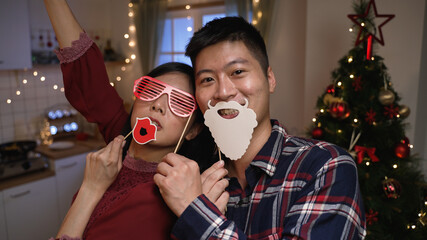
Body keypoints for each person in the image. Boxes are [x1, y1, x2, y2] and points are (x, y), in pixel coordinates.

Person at [153, 16, 367, 239]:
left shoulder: (325, 166)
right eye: (207, 79)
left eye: (237, 72)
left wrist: (195, 212)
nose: (223, 92)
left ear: (270, 78)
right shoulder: (194, 176)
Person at [44, 1, 227, 239]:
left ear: (193, 130)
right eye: (150, 90)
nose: (158, 105)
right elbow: (86, 72)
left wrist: (92, 187)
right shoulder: (119, 139)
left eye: (180, 102)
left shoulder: (184, 191)